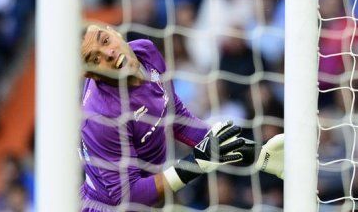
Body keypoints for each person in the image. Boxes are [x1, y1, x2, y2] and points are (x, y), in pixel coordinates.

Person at [80, 23, 261, 211]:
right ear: (92, 75)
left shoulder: (146, 51)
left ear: (114, 31)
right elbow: (129, 197)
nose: (108, 53)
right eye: (95, 59)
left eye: (106, 40)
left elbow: (176, 118)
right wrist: (194, 164)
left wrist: (260, 155)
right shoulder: (99, 118)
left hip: (154, 199)